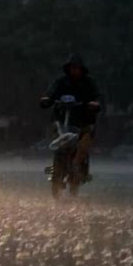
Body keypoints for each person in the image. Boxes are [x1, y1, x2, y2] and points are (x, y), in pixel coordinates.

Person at [40, 53, 101, 182]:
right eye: (72, 67)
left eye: (77, 67)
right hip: (61, 122)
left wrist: (94, 103)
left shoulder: (89, 83)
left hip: (83, 122)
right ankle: (55, 169)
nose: (74, 70)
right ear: (68, 68)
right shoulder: (60, 82)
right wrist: (46, 99)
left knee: (84, 143)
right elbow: (49, 95)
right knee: (56, 142)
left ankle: (79, 167)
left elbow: (98, 98)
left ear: (81, 69)